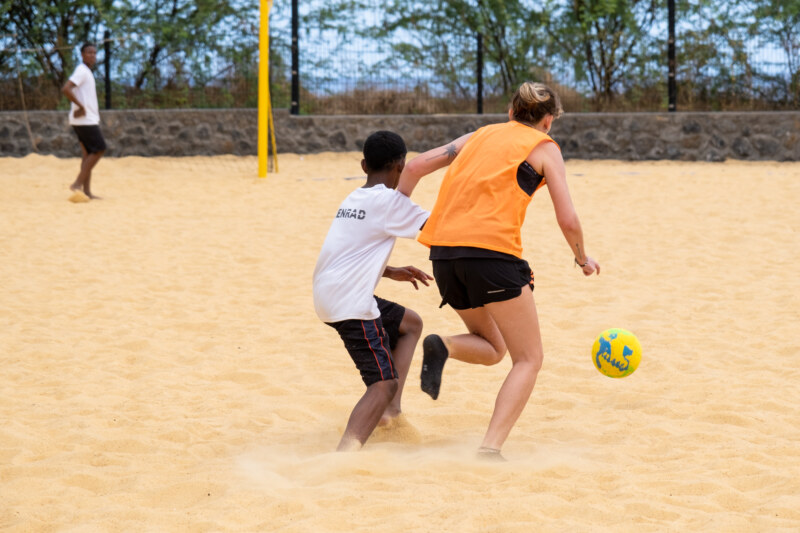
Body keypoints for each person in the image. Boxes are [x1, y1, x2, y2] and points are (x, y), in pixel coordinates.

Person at [397, 82, 601, 460]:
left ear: (510, 113)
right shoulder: (544, 147)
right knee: (529, 359)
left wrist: (395, 213)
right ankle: (489, 449)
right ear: (548, 121)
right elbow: (567, 218)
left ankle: (445, 345)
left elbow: (415, 166)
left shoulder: (478, 135)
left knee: (494, 349)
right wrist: (582, 258)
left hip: (442, 255)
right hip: (491, 257)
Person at [312, 130, 433, 451]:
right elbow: (437, 231)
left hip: (328, 291)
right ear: (400, 167)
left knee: (410, 324)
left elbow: (350, 248)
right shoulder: (389, 201)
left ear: (364, 165)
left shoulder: (354, 198)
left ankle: (389, 413)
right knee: (383, 383)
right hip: (350, 301)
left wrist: (391, 271)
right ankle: (343, 455)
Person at [61, 42, 106, 202]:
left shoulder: (86, 71)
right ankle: (77, 184)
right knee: (100, 148)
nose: (92, 55)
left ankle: (86, 192)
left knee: (88, 154)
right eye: (89, 53)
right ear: (82, 55)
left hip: (82, 119)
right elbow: (66, 88)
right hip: (85, 120)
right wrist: (81, 106)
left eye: (94, 53)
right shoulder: (82, 71)